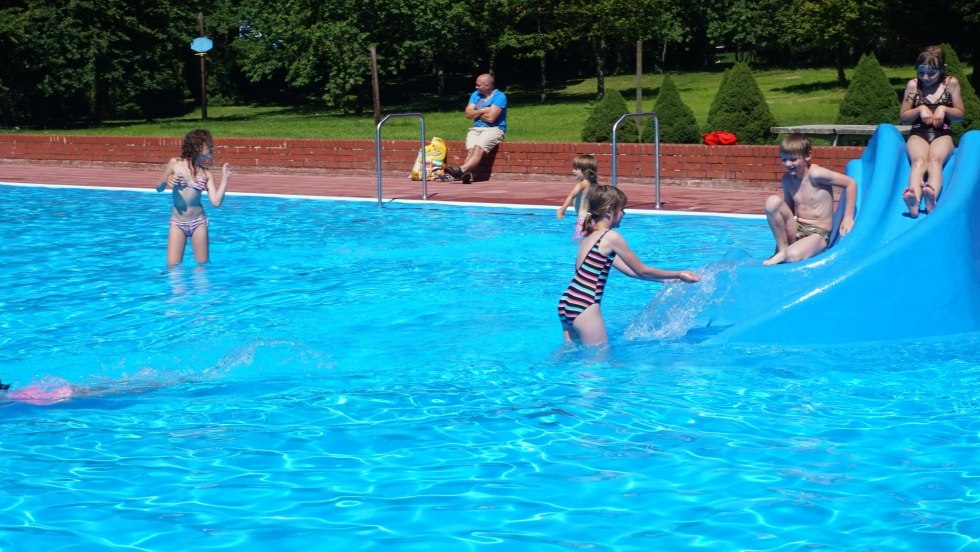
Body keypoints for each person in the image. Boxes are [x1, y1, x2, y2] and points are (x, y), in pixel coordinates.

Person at [557, 185, 700, 346]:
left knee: (569, 353)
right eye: (622, 209)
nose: (624, 214)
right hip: (585, 304)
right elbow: (642, 270)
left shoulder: (589, 238)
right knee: (597, 360)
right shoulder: (611, 237)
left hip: (567, 302)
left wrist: (666, 280)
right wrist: (678, 274)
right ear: (609, 211)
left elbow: (630, 272)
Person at [763, 133, 856, 266]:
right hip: (797, 227)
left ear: (807, 156)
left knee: (793, 256)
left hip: (819, 232)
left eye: (793, 159)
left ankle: (786, 253)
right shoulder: (787, 180)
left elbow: (850, 183)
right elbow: (788, 211)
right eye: (784, 160)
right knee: (772, 202)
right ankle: (782, 250)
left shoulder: (816, 174)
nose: (788, 164)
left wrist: (848, 217)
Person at [900, 45, 965, 217]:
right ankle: (913, 203)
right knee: (919, 162)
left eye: (931, 73)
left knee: (935, 161)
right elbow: (904, 117)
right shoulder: (914, 86)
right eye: (921, 72)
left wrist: (944, 108)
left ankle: (931, 199)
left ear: (942, 69)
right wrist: (920, 108)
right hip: (918, 133)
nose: (925, 77)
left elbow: (960, 115)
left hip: (942, 133)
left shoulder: (950, 84)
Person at [156, 129, 232, 265]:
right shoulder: (175, 163)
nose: (212, 147)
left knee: (202, 268)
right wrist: (166, 180)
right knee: (172, 268)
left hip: (199, 223)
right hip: (177, 223)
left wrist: (225, 179)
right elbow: (158, 188)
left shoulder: (206, 174)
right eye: (209, 145)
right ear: (197, 146)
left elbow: (216, 202)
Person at [445, 73, 507, 184]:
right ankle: (465, 174)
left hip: (494, 129)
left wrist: (475, 112)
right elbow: (468, 114)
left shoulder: (500, 97)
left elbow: (491, 118)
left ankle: (461, 170)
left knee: (478, 148)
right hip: (476, 129)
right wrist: (483, 110)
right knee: (471, 151)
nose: (476, 87)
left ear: (487, 86)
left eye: (478, 85)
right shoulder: (476, 95)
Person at [556, 154, 598, 239]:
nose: (573, 171)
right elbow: (571, 196)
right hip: (593, 219)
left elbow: (571, 196)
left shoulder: (583, 183)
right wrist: (563, 209)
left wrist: (562, 209)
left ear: (585, 170)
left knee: (578, 240)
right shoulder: (594, 184)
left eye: (576, 169)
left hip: (583, 220)